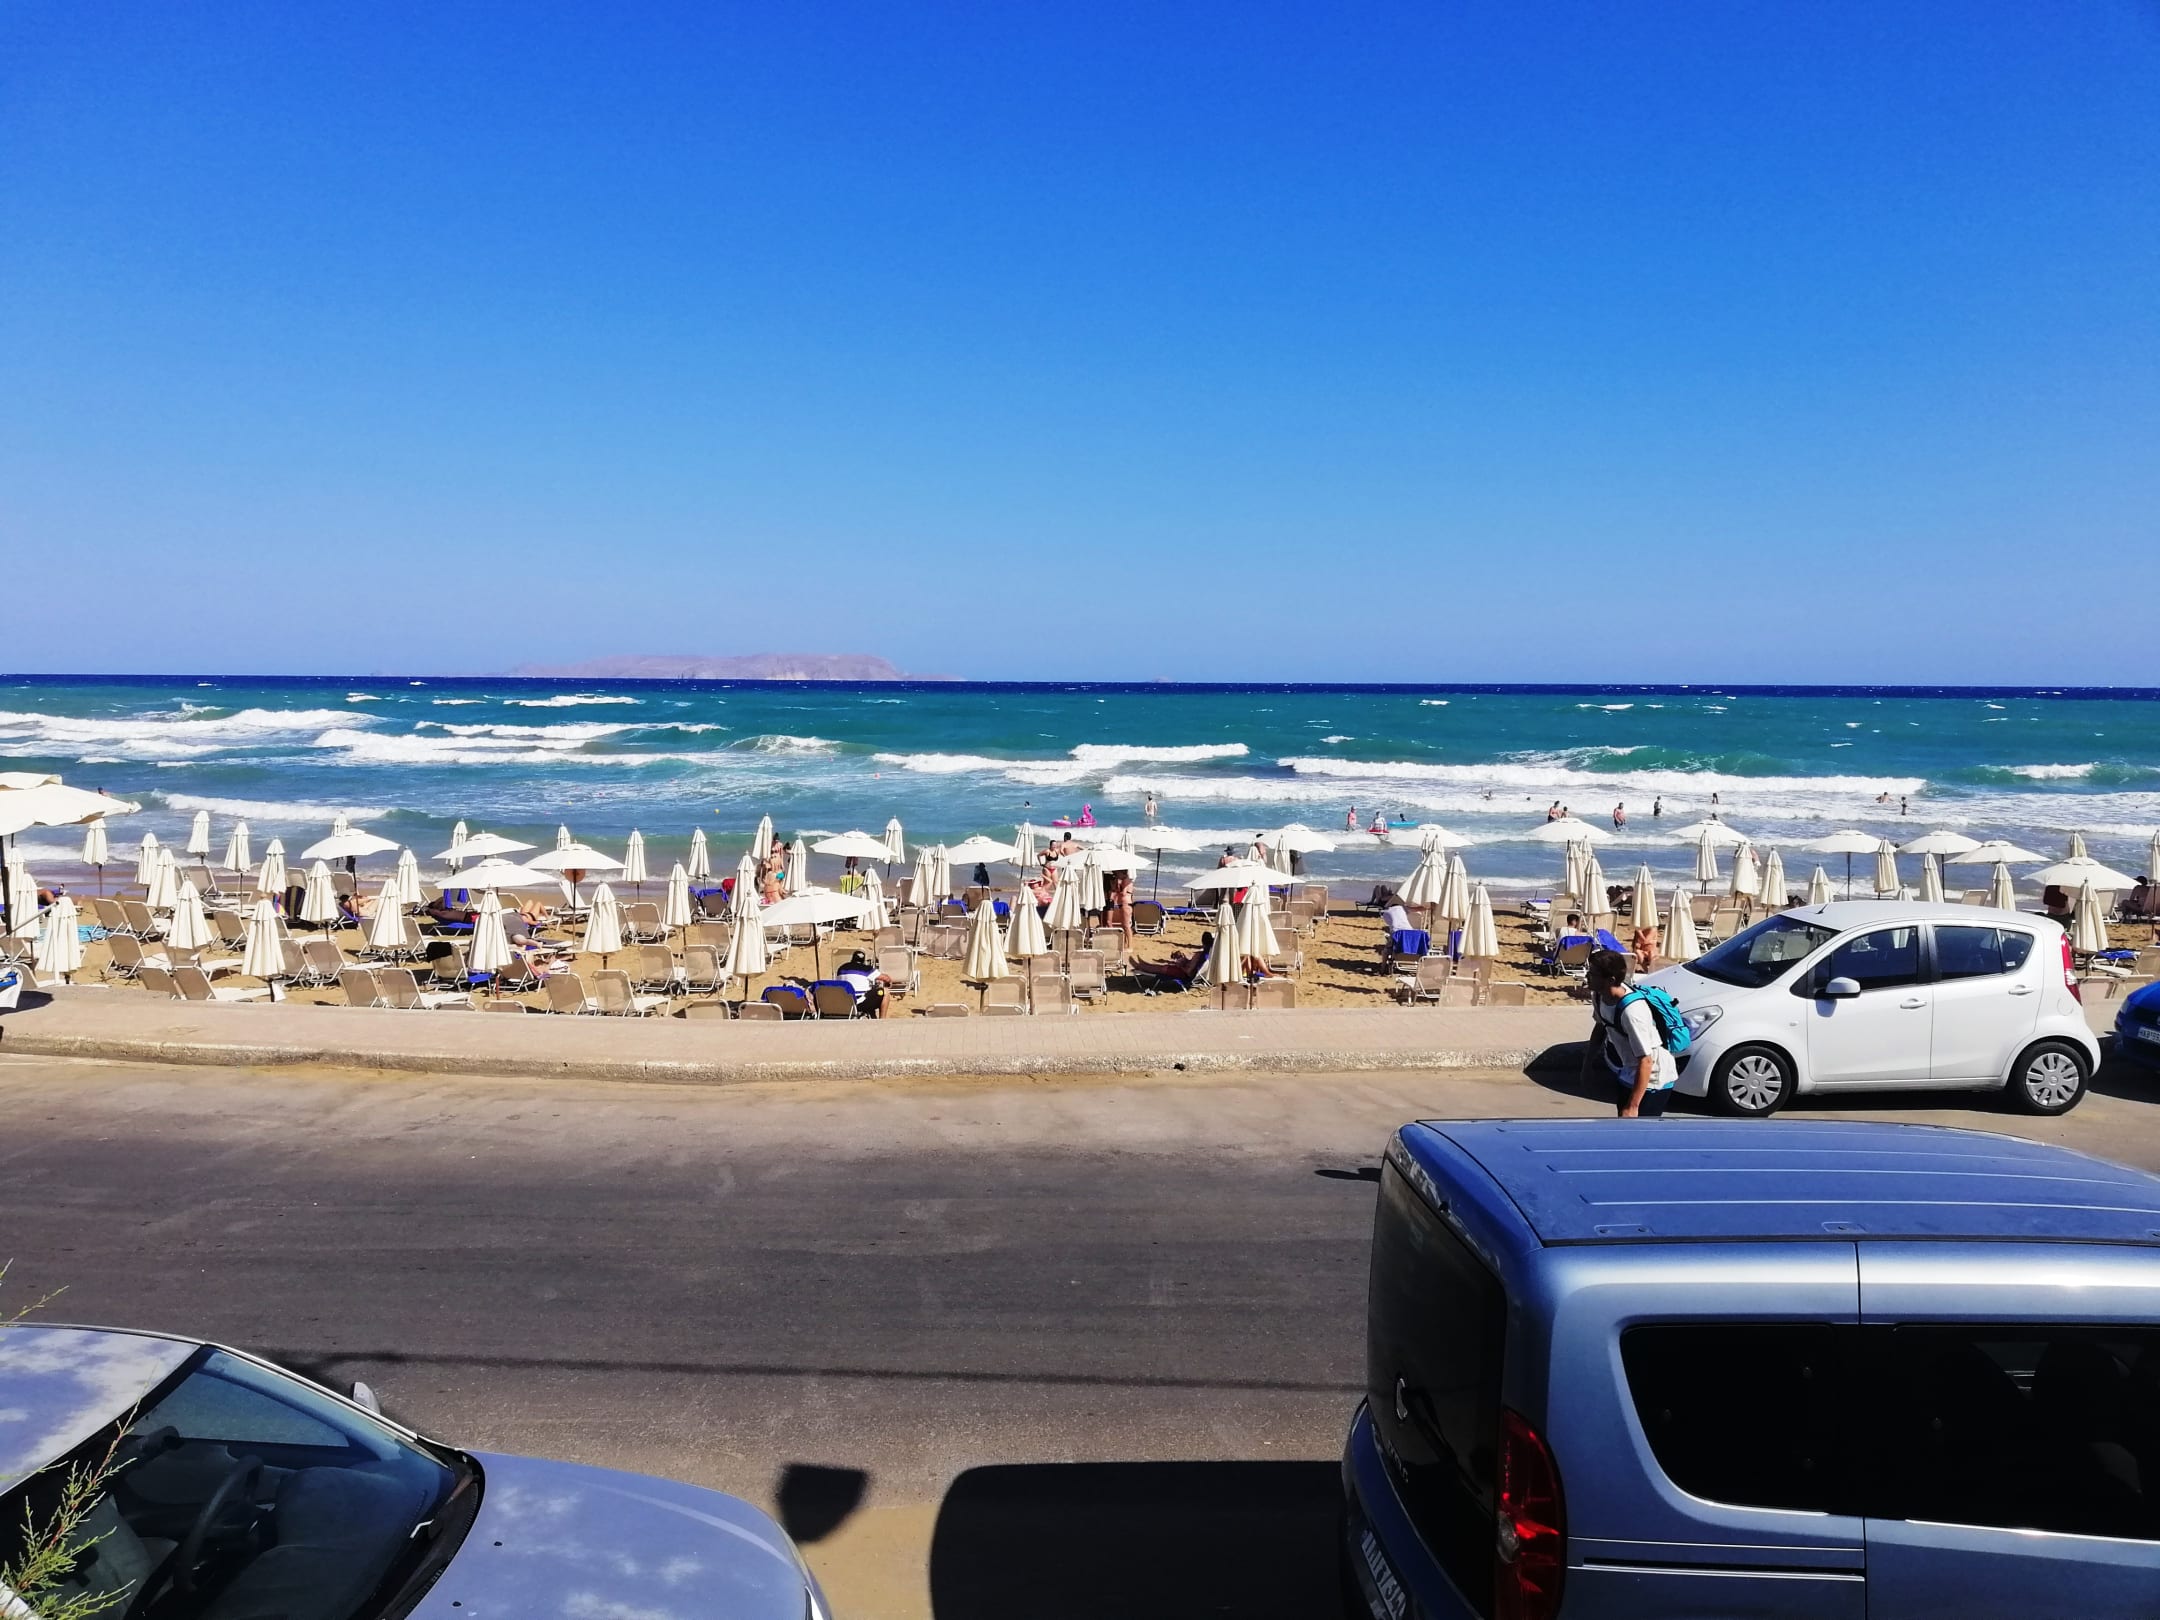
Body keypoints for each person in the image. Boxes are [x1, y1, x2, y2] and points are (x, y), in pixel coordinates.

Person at [1583, 949, 1677, 1118]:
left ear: (1611, 980)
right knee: (1623, 1124)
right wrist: (1587, 1064)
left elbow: (1646, 1061)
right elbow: (1600, 1027)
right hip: (1629, 1072)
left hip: (1654, 1079)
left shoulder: (1632, 1012)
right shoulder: (1599, 995)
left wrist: (1633, 1106)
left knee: (1640, 1130)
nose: (1587, 977)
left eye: (1593, 974)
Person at [835, 950, 893, 1018]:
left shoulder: (841, 969)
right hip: (860, 1003)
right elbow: (886, 979)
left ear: (852, 958)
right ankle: (882, 1020)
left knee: (868, 994)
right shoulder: (867, 969)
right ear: (863, 960)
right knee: (885, 992)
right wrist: (889, 982)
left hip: (844, 1003)